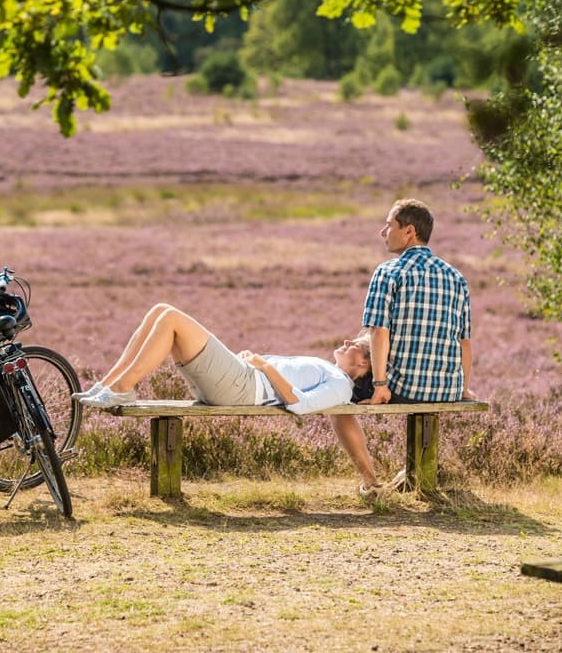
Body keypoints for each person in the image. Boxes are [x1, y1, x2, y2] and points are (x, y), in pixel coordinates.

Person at [75, 303, 385, 490]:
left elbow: (300, 405)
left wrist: (263, 364)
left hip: (242, 386)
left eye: (355, 344)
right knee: (160, 311)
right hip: (239, 378)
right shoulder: (330, 370)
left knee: (170, 316)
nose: (347, 341)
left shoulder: (340, 384)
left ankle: (121, 390)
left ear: (363, 364)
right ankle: (110, 384)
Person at [359, 198, 473, 404]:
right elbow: (464, 341)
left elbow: (378, 332)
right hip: (449, 392)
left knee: (339, 386)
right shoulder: (457, 278)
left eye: (389, 225)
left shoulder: (388, 272)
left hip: (403, 391)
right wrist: (463, 390)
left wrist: (380, 386)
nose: (383, 232)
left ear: (409, 231)